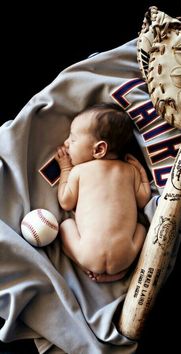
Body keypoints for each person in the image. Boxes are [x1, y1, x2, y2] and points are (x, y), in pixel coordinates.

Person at [55, 103, 151, 282]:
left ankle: (85, 267)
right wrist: (141, 170)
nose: (67, 143)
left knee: (65, 226)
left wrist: (65, 168)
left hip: (87, 254)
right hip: (125, 257)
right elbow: (143, 199)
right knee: (141, 228)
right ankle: (121, 272)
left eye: (73, 139)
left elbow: (65, 202)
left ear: (99, 150)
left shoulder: (80, 171)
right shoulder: (129, 171)